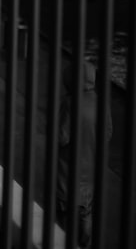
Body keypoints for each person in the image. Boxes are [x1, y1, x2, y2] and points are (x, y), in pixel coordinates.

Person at [57, 60, 111, 247]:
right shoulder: (100, 102)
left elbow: (61, 137)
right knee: (85, 211)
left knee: (65, 213)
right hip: (91, 168)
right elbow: (108, 132)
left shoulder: (70, 103)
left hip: (68, 168)